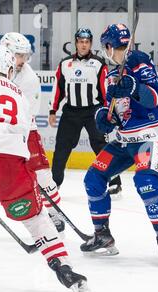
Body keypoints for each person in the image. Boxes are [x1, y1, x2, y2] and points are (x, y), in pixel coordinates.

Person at [0, 45, 87, 292]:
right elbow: (25, 138)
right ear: (9, 69)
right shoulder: (19, 94)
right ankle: (64, 268)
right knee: (36, 219)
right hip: (10, 164)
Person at [79, 23, 158, 260]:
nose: (105, 51)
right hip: (123, 141)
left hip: (149, 138)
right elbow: (110, 108)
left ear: (109, 46)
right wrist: (104, 118)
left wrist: (133, 87)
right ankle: (102, 234)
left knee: (145, 181)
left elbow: (153, 99)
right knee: (93, 177)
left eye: (106, 47)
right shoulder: (111, 75)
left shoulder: (139, 60)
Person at [0, 32, 65, 232]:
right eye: (19, 55)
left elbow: (27, 117)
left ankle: (55, 212)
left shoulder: (29, 79)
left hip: (21, 128)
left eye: (25, 55)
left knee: (42, 172)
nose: (23, 60)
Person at [49, 28, 122, 194]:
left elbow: (104, 90)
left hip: (93, 112)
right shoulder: (65, 64)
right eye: (81, 41)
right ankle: (55, 183)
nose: (83, 45)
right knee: (61, 148)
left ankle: (115, 182)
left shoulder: (98, 63)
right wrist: (53, 111)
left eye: (87, 42)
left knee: (103, 147)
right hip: (70, 112)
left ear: (90, 44)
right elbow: (58, 89)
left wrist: (107, 111)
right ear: (75, 43)